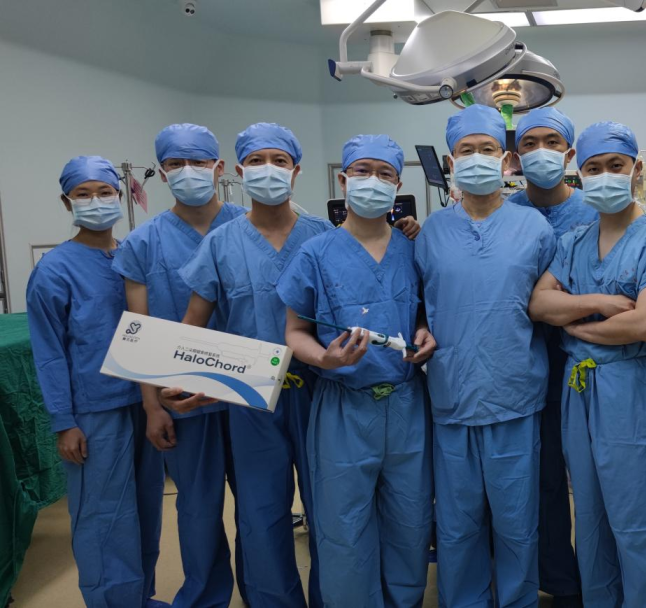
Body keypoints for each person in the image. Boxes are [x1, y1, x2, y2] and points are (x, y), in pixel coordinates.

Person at [168, 122, 333, 608]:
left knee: (330, 508)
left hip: (321, 391)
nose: (268, 170)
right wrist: (180, 381)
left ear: (296, 171)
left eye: (279, 161)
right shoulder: (221, 243)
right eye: (256, 161)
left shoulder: (323, 237)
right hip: (251, 394)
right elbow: (194, 323)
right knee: (262, 514)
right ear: (239, 172)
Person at [528, 121, 646, 607]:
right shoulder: (574, 241)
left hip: (633, 391)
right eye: (594, 168)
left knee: (640, 521)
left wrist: (576, 327)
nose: (604, 176)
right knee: (592, 520)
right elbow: (539, 304)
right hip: (581, 393)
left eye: (615, 166)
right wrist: (599, 303)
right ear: (579, 174)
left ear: (636, 169)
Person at [276, 134, 436, 606]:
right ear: (344, 181)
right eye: (362, 171)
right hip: (343, 408)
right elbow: (295, 332)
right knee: (343, 525)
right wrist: (325, 359)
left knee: (410, 521)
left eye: (385, 174)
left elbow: (422, 311)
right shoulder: (316, 254)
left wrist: (423, 331)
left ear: (397, 185)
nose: (373, 181)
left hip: (407, 403)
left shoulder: (414, 249)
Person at [415, 104, 555, 607]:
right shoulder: (431, 233)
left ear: (506, 160)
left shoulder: (535, 229)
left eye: (488, 149)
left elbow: (550, 304)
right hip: (452, 397)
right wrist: (420, 328)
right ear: (451, 162)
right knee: (457, 524)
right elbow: (419, 304)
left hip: (514, 395)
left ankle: (517, 600)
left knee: (517, 522)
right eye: (466, 150)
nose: (477, 158)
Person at [113, 123, 248, 608]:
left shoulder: (252, 225)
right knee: (197, 509)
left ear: (218, 167)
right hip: (184, 401)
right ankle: (205, 598)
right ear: (162, 172)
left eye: (198, 162)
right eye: (175, 164)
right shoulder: (143, 243)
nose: (187, 171)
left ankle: (267, 594)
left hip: (251, 397)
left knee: (262, 509)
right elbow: (139, 331)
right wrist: (152, 407)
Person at [27, 156, 167, 607]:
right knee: (105, 518)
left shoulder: (131, 256)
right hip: (94, 412)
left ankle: (139, 598)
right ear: (66, 201)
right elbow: (49, 353)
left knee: (146, 509)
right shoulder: (54, 270)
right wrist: (64, 422)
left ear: (120, 195)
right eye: (83, 194)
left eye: (104, 192)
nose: (95, 201)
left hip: (143, 400)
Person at [507, 107, 595, 606]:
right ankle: (561, 580)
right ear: (516, 156)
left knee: (596, 479)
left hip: (588, 360)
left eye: (552, 141)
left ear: (569, 152)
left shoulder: (595, 212)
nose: (541, 151)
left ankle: (600, 579)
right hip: (521, 362)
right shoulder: (504, 215)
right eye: (530, 143)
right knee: (541, 482)